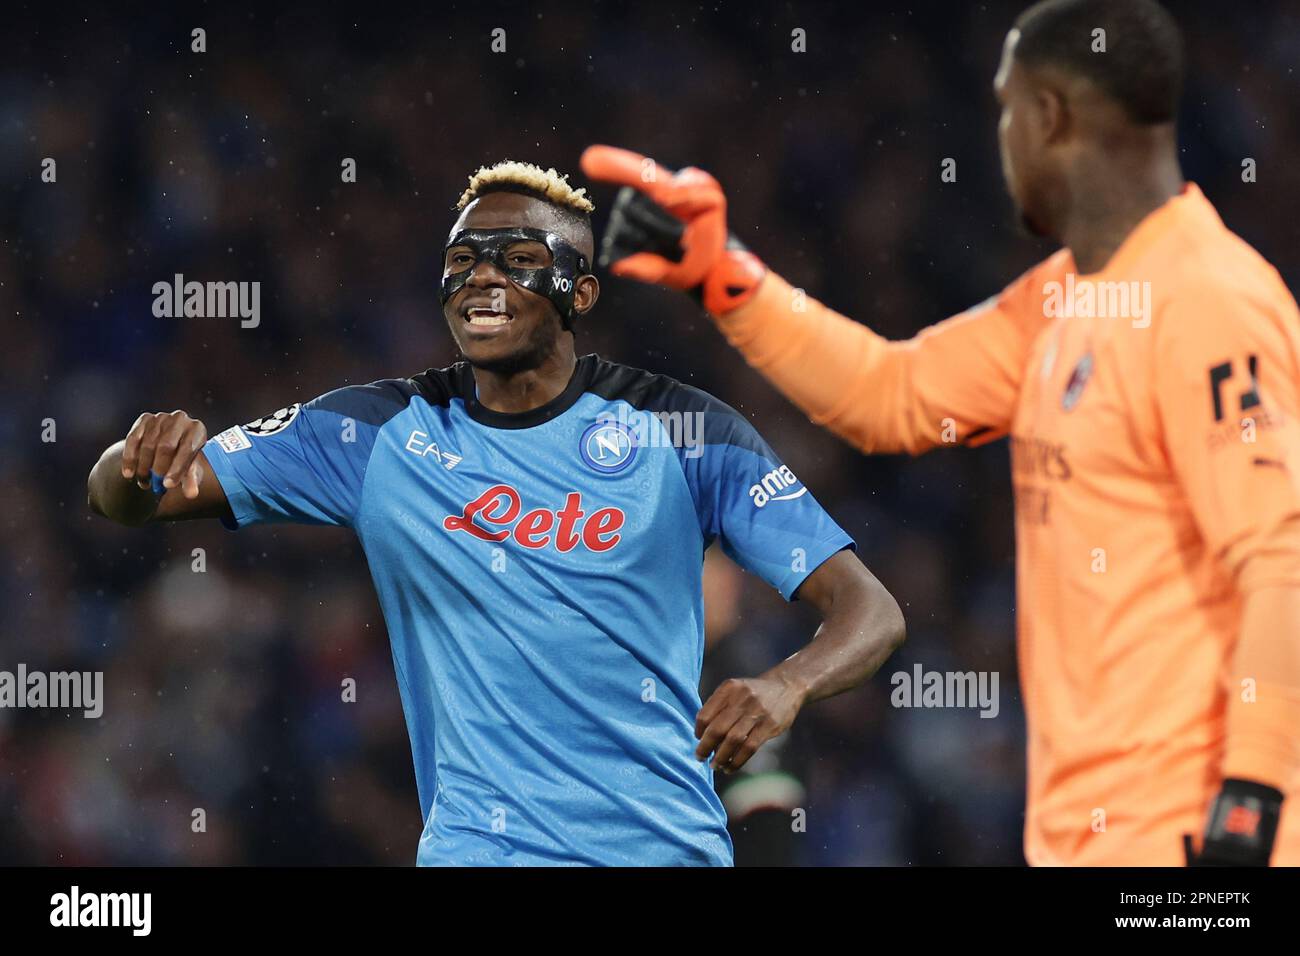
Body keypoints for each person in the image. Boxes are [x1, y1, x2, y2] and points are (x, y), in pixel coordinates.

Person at [581, 0, 1300, 866]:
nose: (999, 139)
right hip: (1085, 833)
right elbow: (893, 394)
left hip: (1196, 834)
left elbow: (1281, 562)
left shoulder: (1210, 300)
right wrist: (727, 278)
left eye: (1005, 109)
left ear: (1048, 117)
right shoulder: (1063, 300)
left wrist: (1252, 803)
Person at [87, 160, 905, 866]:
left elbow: (870, 609)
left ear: (579, 292)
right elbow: (126, 497)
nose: (481, 277)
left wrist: (789, 684)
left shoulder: (683, 432)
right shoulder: (374, 434)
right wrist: (136, 458)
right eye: (462, 260)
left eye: (517, 259)